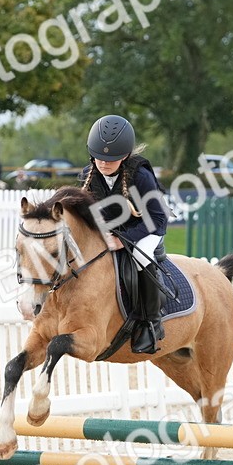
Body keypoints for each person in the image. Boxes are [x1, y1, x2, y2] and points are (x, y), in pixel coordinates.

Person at [79, 115, 168, 354]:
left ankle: (151, 323)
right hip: (112, 231)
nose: (104, 163)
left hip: (147, 228)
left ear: (126, 156)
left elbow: (158, 219)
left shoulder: (141, 176)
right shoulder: (89, 174)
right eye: (99, 156)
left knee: (140, 257)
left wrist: (122, 240)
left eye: (111, 159)